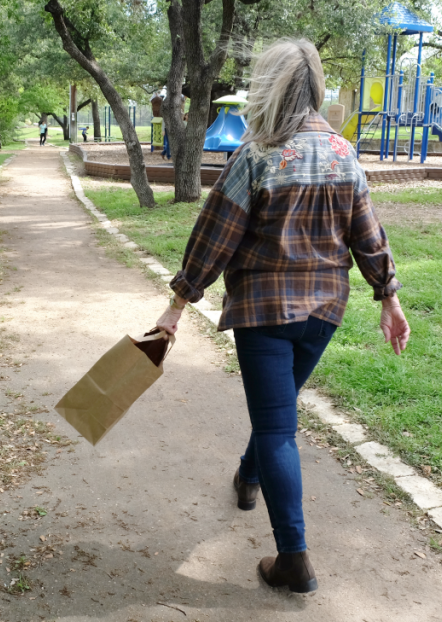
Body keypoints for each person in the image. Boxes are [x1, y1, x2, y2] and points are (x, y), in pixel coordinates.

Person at [155, 39, 410, 594]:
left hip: (264, 313)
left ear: (269, 87)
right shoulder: (345, 154)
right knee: (278, 414)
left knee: (276, 426)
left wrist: (178, 304)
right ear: (315, 88)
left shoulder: (258, 154)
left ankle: (293, 558)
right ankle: (248, 477)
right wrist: (389, 298)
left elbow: (213, 238)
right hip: (323, 313)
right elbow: (368, 236)